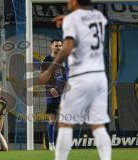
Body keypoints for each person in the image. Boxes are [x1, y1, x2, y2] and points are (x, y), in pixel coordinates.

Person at [39, 0, 111, 160]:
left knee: (65, 123)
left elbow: (68, 47)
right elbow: (86, 22)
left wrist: (49, 71)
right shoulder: (99, 16)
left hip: (81, 76)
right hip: (99, 77)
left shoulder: (73, 19)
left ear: (74, 1)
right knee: (97, 124)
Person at [40, 39, 68, 151]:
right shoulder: (46, 60)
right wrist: (49, 87)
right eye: (56, 45)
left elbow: (66, 76)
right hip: (51, 94)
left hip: (64, 94)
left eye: (60, 46)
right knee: (52, 119)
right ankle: (51, 144)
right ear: (51, 46)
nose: (58, 47)